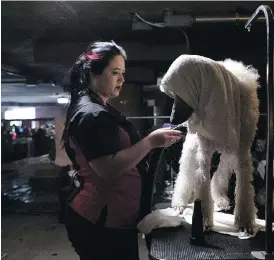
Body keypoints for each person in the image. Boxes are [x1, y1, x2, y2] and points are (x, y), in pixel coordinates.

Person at [61, 40, 183, 260]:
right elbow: (108, 168)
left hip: (116, 218)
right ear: (93, 73)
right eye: (115, 72)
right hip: (100, 221)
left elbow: (121, 151)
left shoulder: (101, 109)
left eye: (123, 73)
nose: (122, 80)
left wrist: (152, 141)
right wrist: (150, 142)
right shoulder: (91, 114)